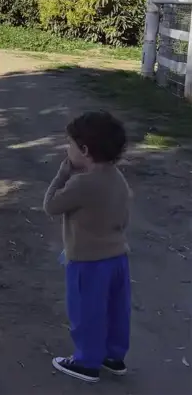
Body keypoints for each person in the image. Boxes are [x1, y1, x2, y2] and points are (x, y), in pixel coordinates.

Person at [42, 110, 132, 383]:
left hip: (87, 261)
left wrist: (62, 173)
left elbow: (51, 205)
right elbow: (124, 216)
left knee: (86, 312)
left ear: (84, 150)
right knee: (117, 310)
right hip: (118, 258)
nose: (67, 149)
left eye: (69, 144)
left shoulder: (82, 182)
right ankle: (113, 356)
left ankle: (87, 362)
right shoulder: (117, 177)